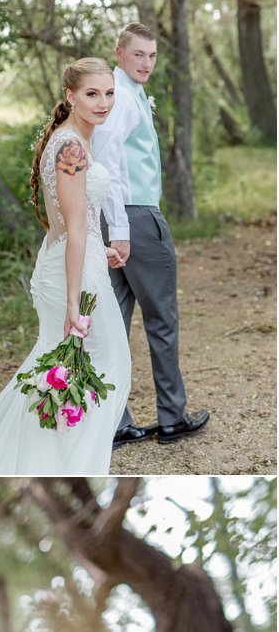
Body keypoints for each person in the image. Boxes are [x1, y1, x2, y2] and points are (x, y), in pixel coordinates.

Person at [0, 58, 132, 474]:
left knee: (64, 374)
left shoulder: (70, 138)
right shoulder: (73, 145)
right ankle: (70, 465)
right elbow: (74, 227)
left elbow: (72, 223)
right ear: (70, 96)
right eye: (92, 94)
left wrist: (100, 249)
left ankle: (54, 461)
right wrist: (74, 304)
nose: (103, 102)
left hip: (72, 262)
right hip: (72, 278)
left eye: (109, 93)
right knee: (104, 368)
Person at [91, 22, 210, 448]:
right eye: (138, 54)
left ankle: (116, 422)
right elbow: (107, 159)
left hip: (112, 218)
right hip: (134, 217)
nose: (146, 63)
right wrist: (121, 226)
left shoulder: (123, 94)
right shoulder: (120, 97)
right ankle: (172, 417)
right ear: (119, 53)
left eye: (152, 55)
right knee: (161, 319)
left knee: (114, 320)